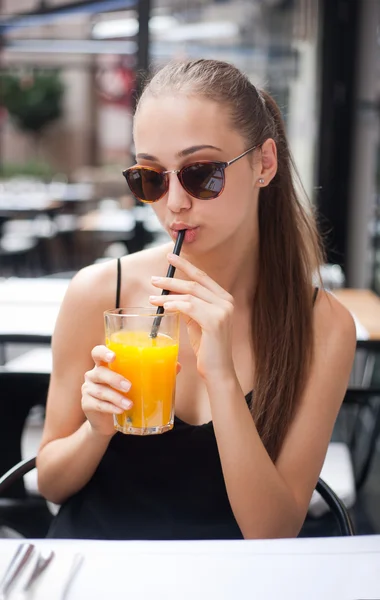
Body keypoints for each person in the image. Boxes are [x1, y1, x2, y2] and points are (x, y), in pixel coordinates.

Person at [38, 59, 356, 540]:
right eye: (151, 178)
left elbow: (273, 532)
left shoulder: (322, 326)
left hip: (232, 578)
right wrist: (96, 429)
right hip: (98, 567)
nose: (175, 204)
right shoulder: (100, 292)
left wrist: (222, 378)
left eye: (200, 173)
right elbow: (51, 485)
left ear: (263, 164)